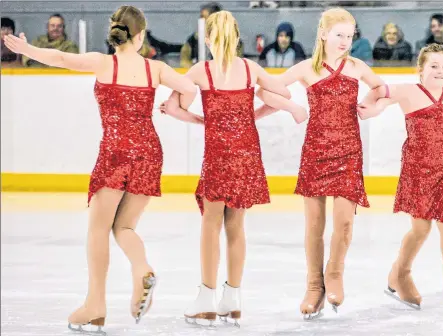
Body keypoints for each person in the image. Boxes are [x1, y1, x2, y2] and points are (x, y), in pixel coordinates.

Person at [3, 5, 197, 332]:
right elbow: (190, 89)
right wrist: (174, 106)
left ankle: (95, 304)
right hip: (149, 152)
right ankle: (142, 268)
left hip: (116, 153)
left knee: (98, 229)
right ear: (140, 35)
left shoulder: (103, 62)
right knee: (125, 228)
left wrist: (28, 49)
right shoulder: (156, 68)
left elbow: (62, 59)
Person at [161, 10, 306, 327]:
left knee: (211, 224)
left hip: (218, 154)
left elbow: (173, 106)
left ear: (209, 38)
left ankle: (207, 298)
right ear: (237, 37)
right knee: (236, 227)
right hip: (247, 153)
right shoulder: (250, 68)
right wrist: (256, 113)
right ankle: (233, 299)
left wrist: (198, 119)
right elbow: (282, 94)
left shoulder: (202, 70)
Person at [254, 7, 386, 319]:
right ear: (324, 34)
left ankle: (335, 274)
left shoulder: (357, 66)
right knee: (314, 225)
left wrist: (371, 105)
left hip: (349, 152)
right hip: (316, 151)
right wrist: (292, 108)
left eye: (349, 36)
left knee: (344, 222)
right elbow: (265, 90)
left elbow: (381, 89)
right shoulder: (305, 69)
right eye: (339, 35)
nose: (344, 41)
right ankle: (314, 285)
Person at [358, 43, 443, 312]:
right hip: (418, 170)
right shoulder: (408, 91)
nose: (440, 71)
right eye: (434, 66)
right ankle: (399, 273)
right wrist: (374, 109)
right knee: (421, 228)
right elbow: (378, 93)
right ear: (420, 69)